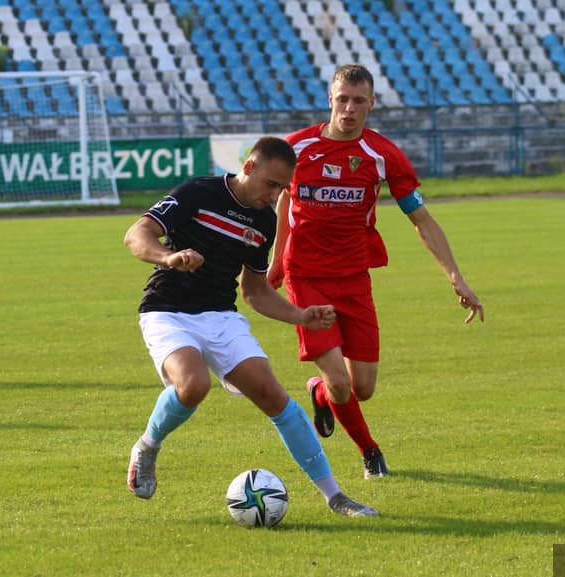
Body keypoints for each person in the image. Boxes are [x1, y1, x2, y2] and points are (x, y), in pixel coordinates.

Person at [123, 136, 377, 518]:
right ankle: (147, 446)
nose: (274, 196)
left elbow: (255, 291)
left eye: (282, 189)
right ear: (248, 167)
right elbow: (136, 234)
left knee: (274, 396)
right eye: (270, 184)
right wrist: (169, 256)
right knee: (193, 385)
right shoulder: (198, 192)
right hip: (168, 311)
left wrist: (300, 315)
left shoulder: (263, 221)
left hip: (220, 316)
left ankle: (335, 496)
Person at [268, 64, 484, 479]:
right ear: (330, 99)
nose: (349, 109)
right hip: (306, 277)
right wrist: (277, 260)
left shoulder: (383, 155)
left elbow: (422, 220)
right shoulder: (296, 148)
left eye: (358, 101)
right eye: (342, 99)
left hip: (354, 278)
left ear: (371, 103)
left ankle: (320, 393)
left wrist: (456, 277)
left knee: (361, 387)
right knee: (340, 381)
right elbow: (282, 200)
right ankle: (370, 452)